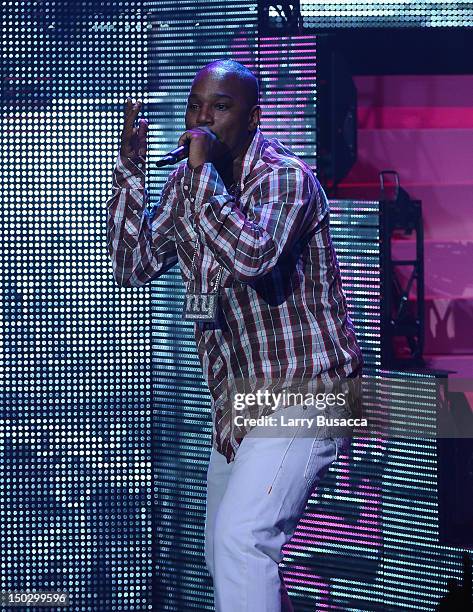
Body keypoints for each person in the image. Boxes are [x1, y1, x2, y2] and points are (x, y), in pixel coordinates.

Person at [107, 59, 363, 612]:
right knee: (222, 556)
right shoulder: (187, 184)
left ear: (252, 118)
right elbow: (133, 264)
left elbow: (252, 256)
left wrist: (199, 181)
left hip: (311, 391)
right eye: (196, 105)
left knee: (242, 541)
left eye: (219, 108)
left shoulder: (284, 177)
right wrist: (130, 171)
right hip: (243, 406)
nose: (202, 120)